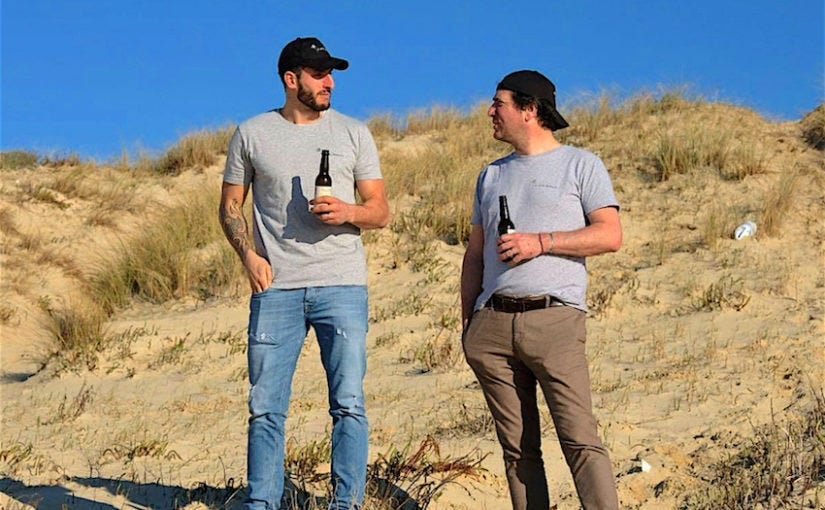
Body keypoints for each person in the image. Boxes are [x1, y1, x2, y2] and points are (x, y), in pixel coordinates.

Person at [219, 36, 390, 510]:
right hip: (277, 289)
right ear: (291, 80)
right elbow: (231, 207)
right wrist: (249, 257)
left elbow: (381, 211)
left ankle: (346, 503)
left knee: (349, 403)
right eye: (319, 74)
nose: (330, 82)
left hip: (342, 284)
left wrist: (348, 211)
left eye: (331, 73)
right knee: (265, 408)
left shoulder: (354, 133)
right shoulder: (252, 133)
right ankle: (262, 503)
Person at [460, 70, 622, 510]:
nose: (490, 111)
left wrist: (542, 241)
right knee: (517, 452)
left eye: (499, 103)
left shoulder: (580, 164)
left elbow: (609, 235)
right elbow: (475, 254)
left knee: (580, 440)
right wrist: (469, 326)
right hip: (492, 326)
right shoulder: (489, 176)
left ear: (529, 110)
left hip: (555, 320)